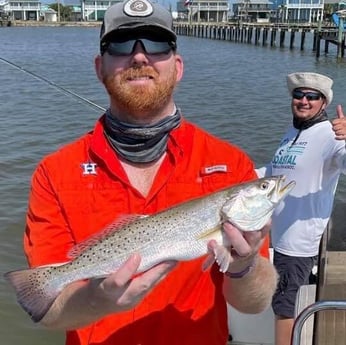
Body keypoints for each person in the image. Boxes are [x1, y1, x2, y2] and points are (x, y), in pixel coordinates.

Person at [22, 1, 277, 344]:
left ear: (178, 66)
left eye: (156, 44)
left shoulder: (231, 165)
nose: (139, 57)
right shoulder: (53, 172)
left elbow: (254, 303)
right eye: (121, 44)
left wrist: (244, 264)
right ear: (100, 68)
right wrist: (97, 299)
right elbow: (49, 310)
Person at [256, 72, 346, 345]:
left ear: (324, 103)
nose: (304, 101)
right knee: (284, 304)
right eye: (299, 95)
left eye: (312, 97)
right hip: (279, 236)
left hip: (298, 242)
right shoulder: (292, 132)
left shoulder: (331, 135)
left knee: (284, 308)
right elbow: (274, 173)